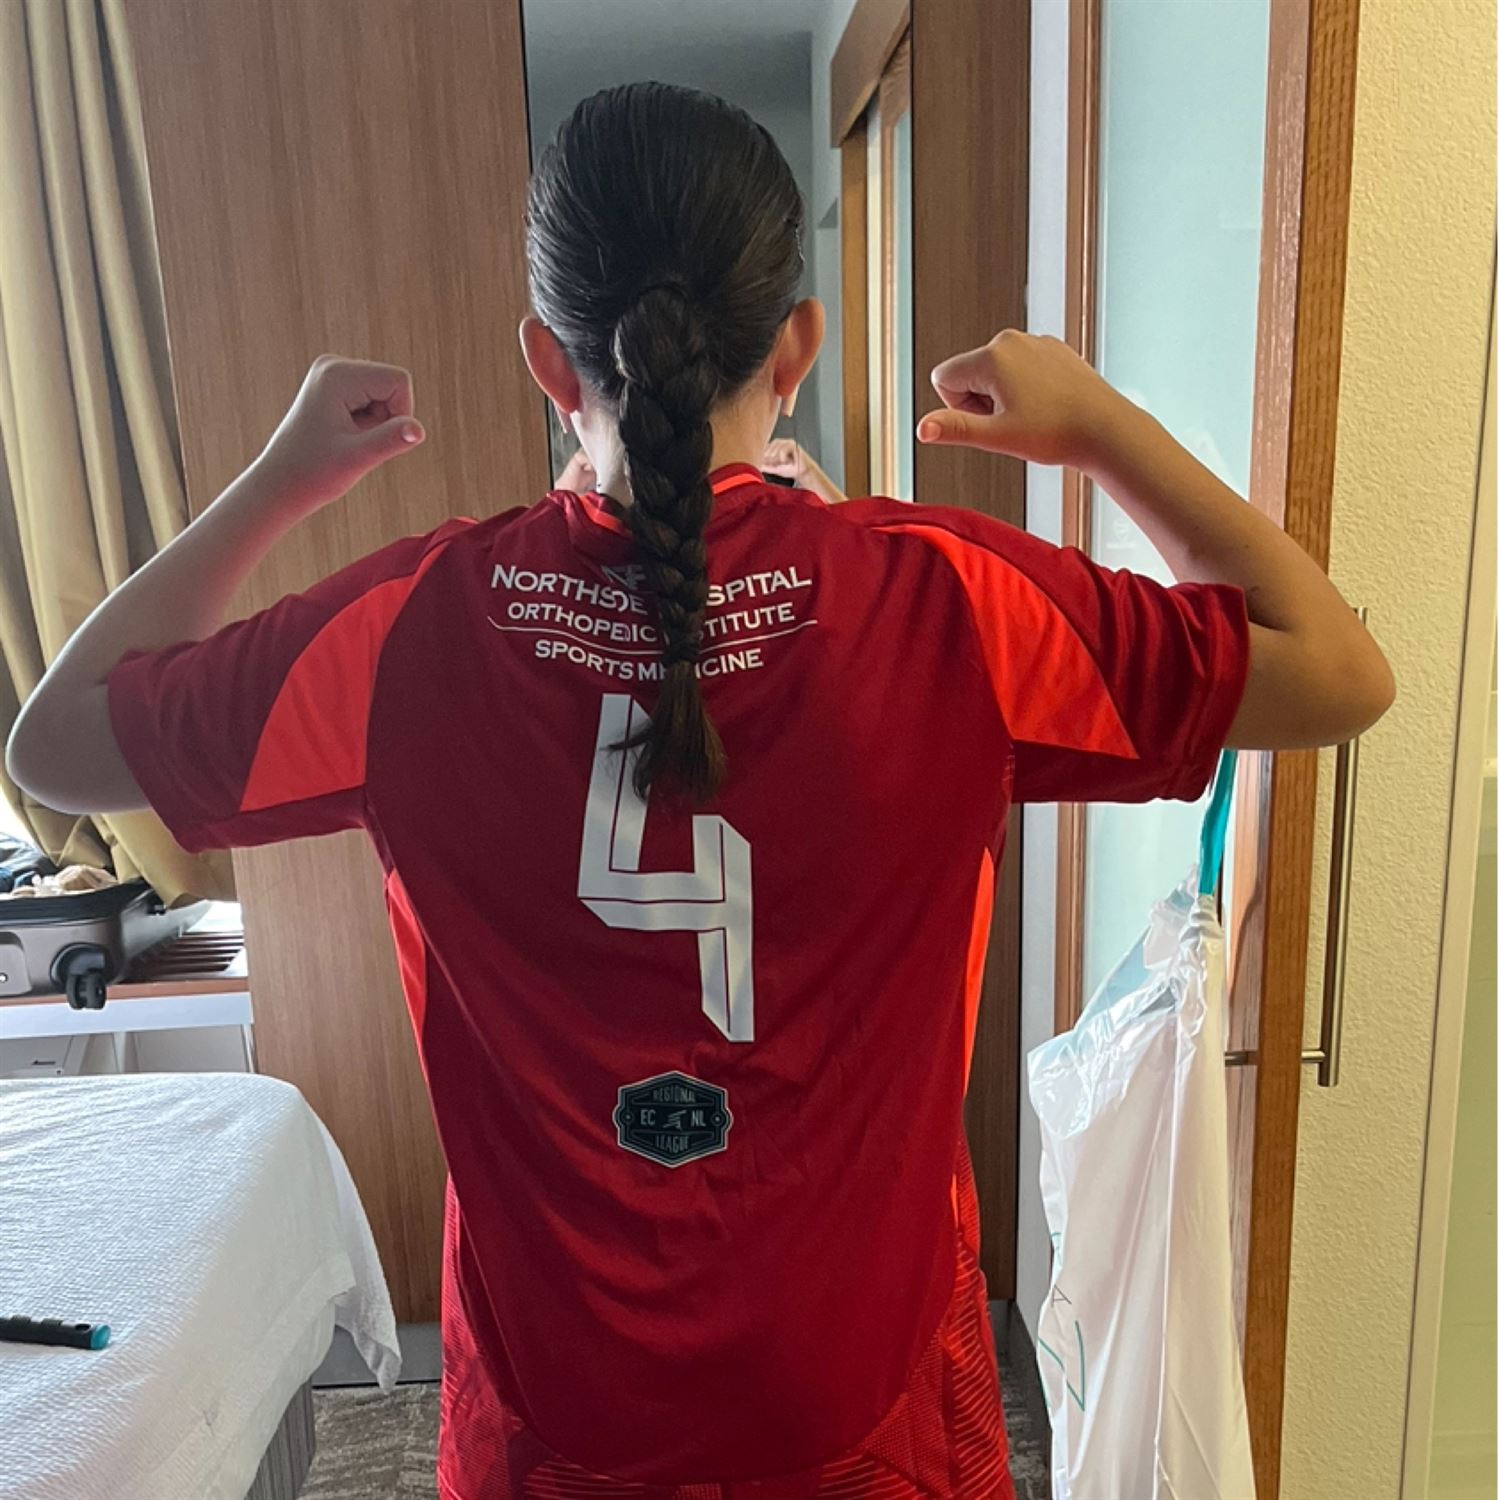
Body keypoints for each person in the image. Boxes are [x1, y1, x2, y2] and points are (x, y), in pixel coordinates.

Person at [6, 83, 1392, 1500]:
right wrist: (1096, 427)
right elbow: (1337, 673)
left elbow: (53, 746)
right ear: (797, 344)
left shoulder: (414, 631)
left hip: (553, 1421)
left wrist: (278, 484)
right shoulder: (945, 604)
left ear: (549, 365)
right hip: (866, 1412)